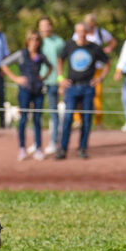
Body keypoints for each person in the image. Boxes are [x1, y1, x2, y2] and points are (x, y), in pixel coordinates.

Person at [56, 22, 110, 159]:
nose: (81, 34)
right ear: (76, 32)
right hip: (72, 87)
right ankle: (63, 149)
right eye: (79, 31)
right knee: (68, 119)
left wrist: (100, 78)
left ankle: (82, 148)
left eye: (83, 31)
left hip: (88, 87)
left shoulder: (94, 47)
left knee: (86, 119)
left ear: (87, 32)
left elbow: (107, 62)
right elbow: (60, 60)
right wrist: (61, 78)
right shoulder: (70, 45)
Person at [2, 30, 51, 161]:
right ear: (28, 40)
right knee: (23, 119)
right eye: (32, 39)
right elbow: (4, 64)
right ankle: (22, 148)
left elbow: (50, 67)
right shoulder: (21, 54)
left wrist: (43, 77)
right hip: (25, 90)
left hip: (38, 90)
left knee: (37, 119)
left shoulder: (41, 55)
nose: (34, 42)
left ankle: (38, 148)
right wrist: (15, 78)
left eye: (37, 39)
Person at [81, 13, 117, 128]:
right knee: (79, 95)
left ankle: (98, 121)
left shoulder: (101, 33)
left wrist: (108, 49)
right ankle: (78, 120)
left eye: (92, 24)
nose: (90, 27)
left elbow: (113, 42)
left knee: (97, 94)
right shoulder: (80, 33)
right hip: (83, 69)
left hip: (97, 68)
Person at [37, 16, 65, 155]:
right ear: (39, 27)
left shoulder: (59, 42)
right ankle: (37, 144)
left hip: (53, 81)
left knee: (54, 112)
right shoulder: (36, 41)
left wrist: (61, 80)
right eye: (42, 25)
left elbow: (61, 62)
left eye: (48, 25)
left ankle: (54, 142)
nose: (45, 28)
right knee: (36, 113)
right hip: (38, 81)